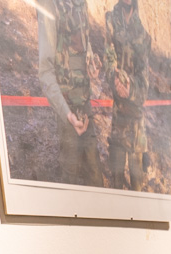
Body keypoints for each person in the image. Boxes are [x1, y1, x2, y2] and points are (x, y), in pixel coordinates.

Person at [38, 0, 104, 187]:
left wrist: (91, 63)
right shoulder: (49, 5)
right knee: (70, 179)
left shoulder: (81, 3)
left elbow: (84, 44)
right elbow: (45, 72)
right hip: (67, 112)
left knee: (95, 177)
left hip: (85, 106)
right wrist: (67, 114)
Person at [103, 0, 151, 191]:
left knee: (137, 183)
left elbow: (144, 83)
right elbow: (108, 59)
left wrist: (131, 89)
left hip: (136, 123)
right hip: (118, 119)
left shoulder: (142, 30)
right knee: (116, 180)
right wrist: (114, 79)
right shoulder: (111, 20)